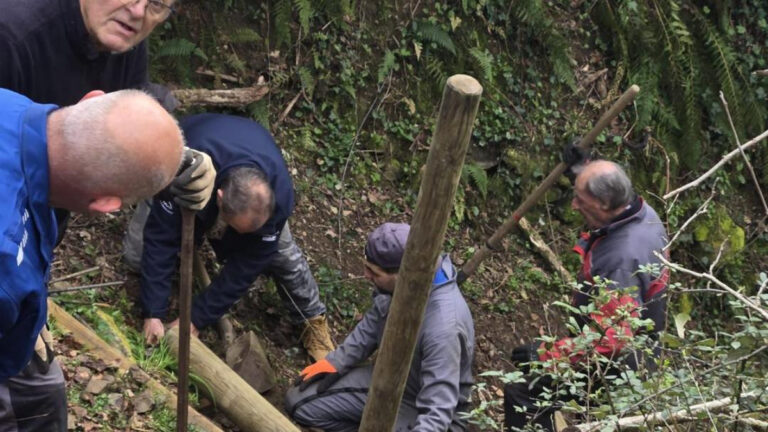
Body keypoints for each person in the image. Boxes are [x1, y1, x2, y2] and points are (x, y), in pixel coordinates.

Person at [0, 89, 184, 430]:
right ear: (105, 205)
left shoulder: (11, 104)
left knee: (45, 397)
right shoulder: (7, 263)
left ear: (90, 99)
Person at [125, 114, 335, 361]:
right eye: (236, 228)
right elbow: (160, 238)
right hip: (177, 168)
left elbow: (244, 270)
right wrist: (153, 313)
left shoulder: (280, 196)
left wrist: (196, 318)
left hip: (248, 174)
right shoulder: (186, 166)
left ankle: (313, 319)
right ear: (221, 198)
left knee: (282, 253)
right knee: (136, 257)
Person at [503, 160, 669, 431]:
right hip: (642, 351)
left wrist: (549, 355)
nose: (574, 206)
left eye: (580, 199)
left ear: (604, 203)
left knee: (523, 394)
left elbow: (613, 338)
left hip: (621, 365)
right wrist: (581, 167)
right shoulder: (640, 212)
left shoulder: (622, 257)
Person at [285, 222, 475, 432]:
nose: (366, 276)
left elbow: (437, 413)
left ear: (403, 275)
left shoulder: (444, 328)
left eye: (374, 272)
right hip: (389, 381)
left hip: (423, 409)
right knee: (300, 402)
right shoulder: (400, 288)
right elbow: (371, 326)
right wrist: (336, 363)